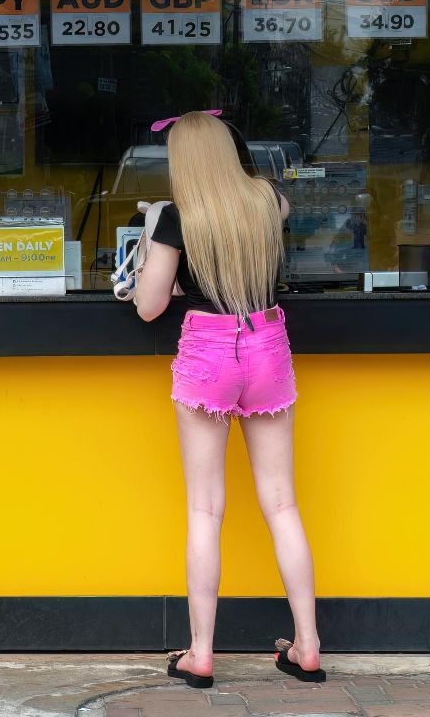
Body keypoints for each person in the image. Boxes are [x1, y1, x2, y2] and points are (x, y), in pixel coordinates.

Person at [131, 111, 323, 688]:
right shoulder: (267, 200)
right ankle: (308, 645)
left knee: (204, 510)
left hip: (209, 351)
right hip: (266, 343)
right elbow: (280, 211)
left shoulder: (171, 218)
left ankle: (201, 652)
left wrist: (147, 238)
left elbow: (148, 305)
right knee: (282, 504)